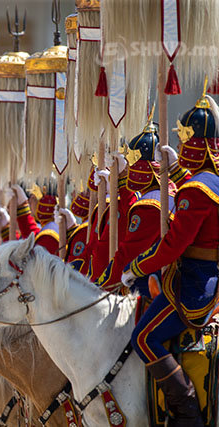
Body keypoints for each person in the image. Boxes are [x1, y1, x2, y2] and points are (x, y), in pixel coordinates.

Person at [122, 89, 219, 426]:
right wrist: (175, 172)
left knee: (143, 338)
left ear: (195, 142)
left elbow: (173, 247)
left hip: (194, 282)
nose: (179, 144)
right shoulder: (209, 182)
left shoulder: (197, 190)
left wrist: (136, 266)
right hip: (206, 274)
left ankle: (187, 412)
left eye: (184, 138)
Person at [96, 116, 188, 293]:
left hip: (156, 282)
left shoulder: (150, 206)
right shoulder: (166, 193)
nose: (130, 170)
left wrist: (101, 287)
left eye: (132, 164)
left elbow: (128, 254)